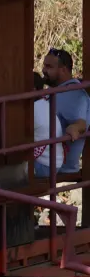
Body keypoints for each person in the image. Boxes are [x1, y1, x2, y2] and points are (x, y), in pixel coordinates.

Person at [40, 47, 88, 179]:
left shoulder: (73, 94)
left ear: (64, 70)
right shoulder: (60, 91)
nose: (44, 70)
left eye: (49, 66)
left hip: (55, 165)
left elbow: (81, 124)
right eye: (44, 65)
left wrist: (75, 128)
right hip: (44, 157)